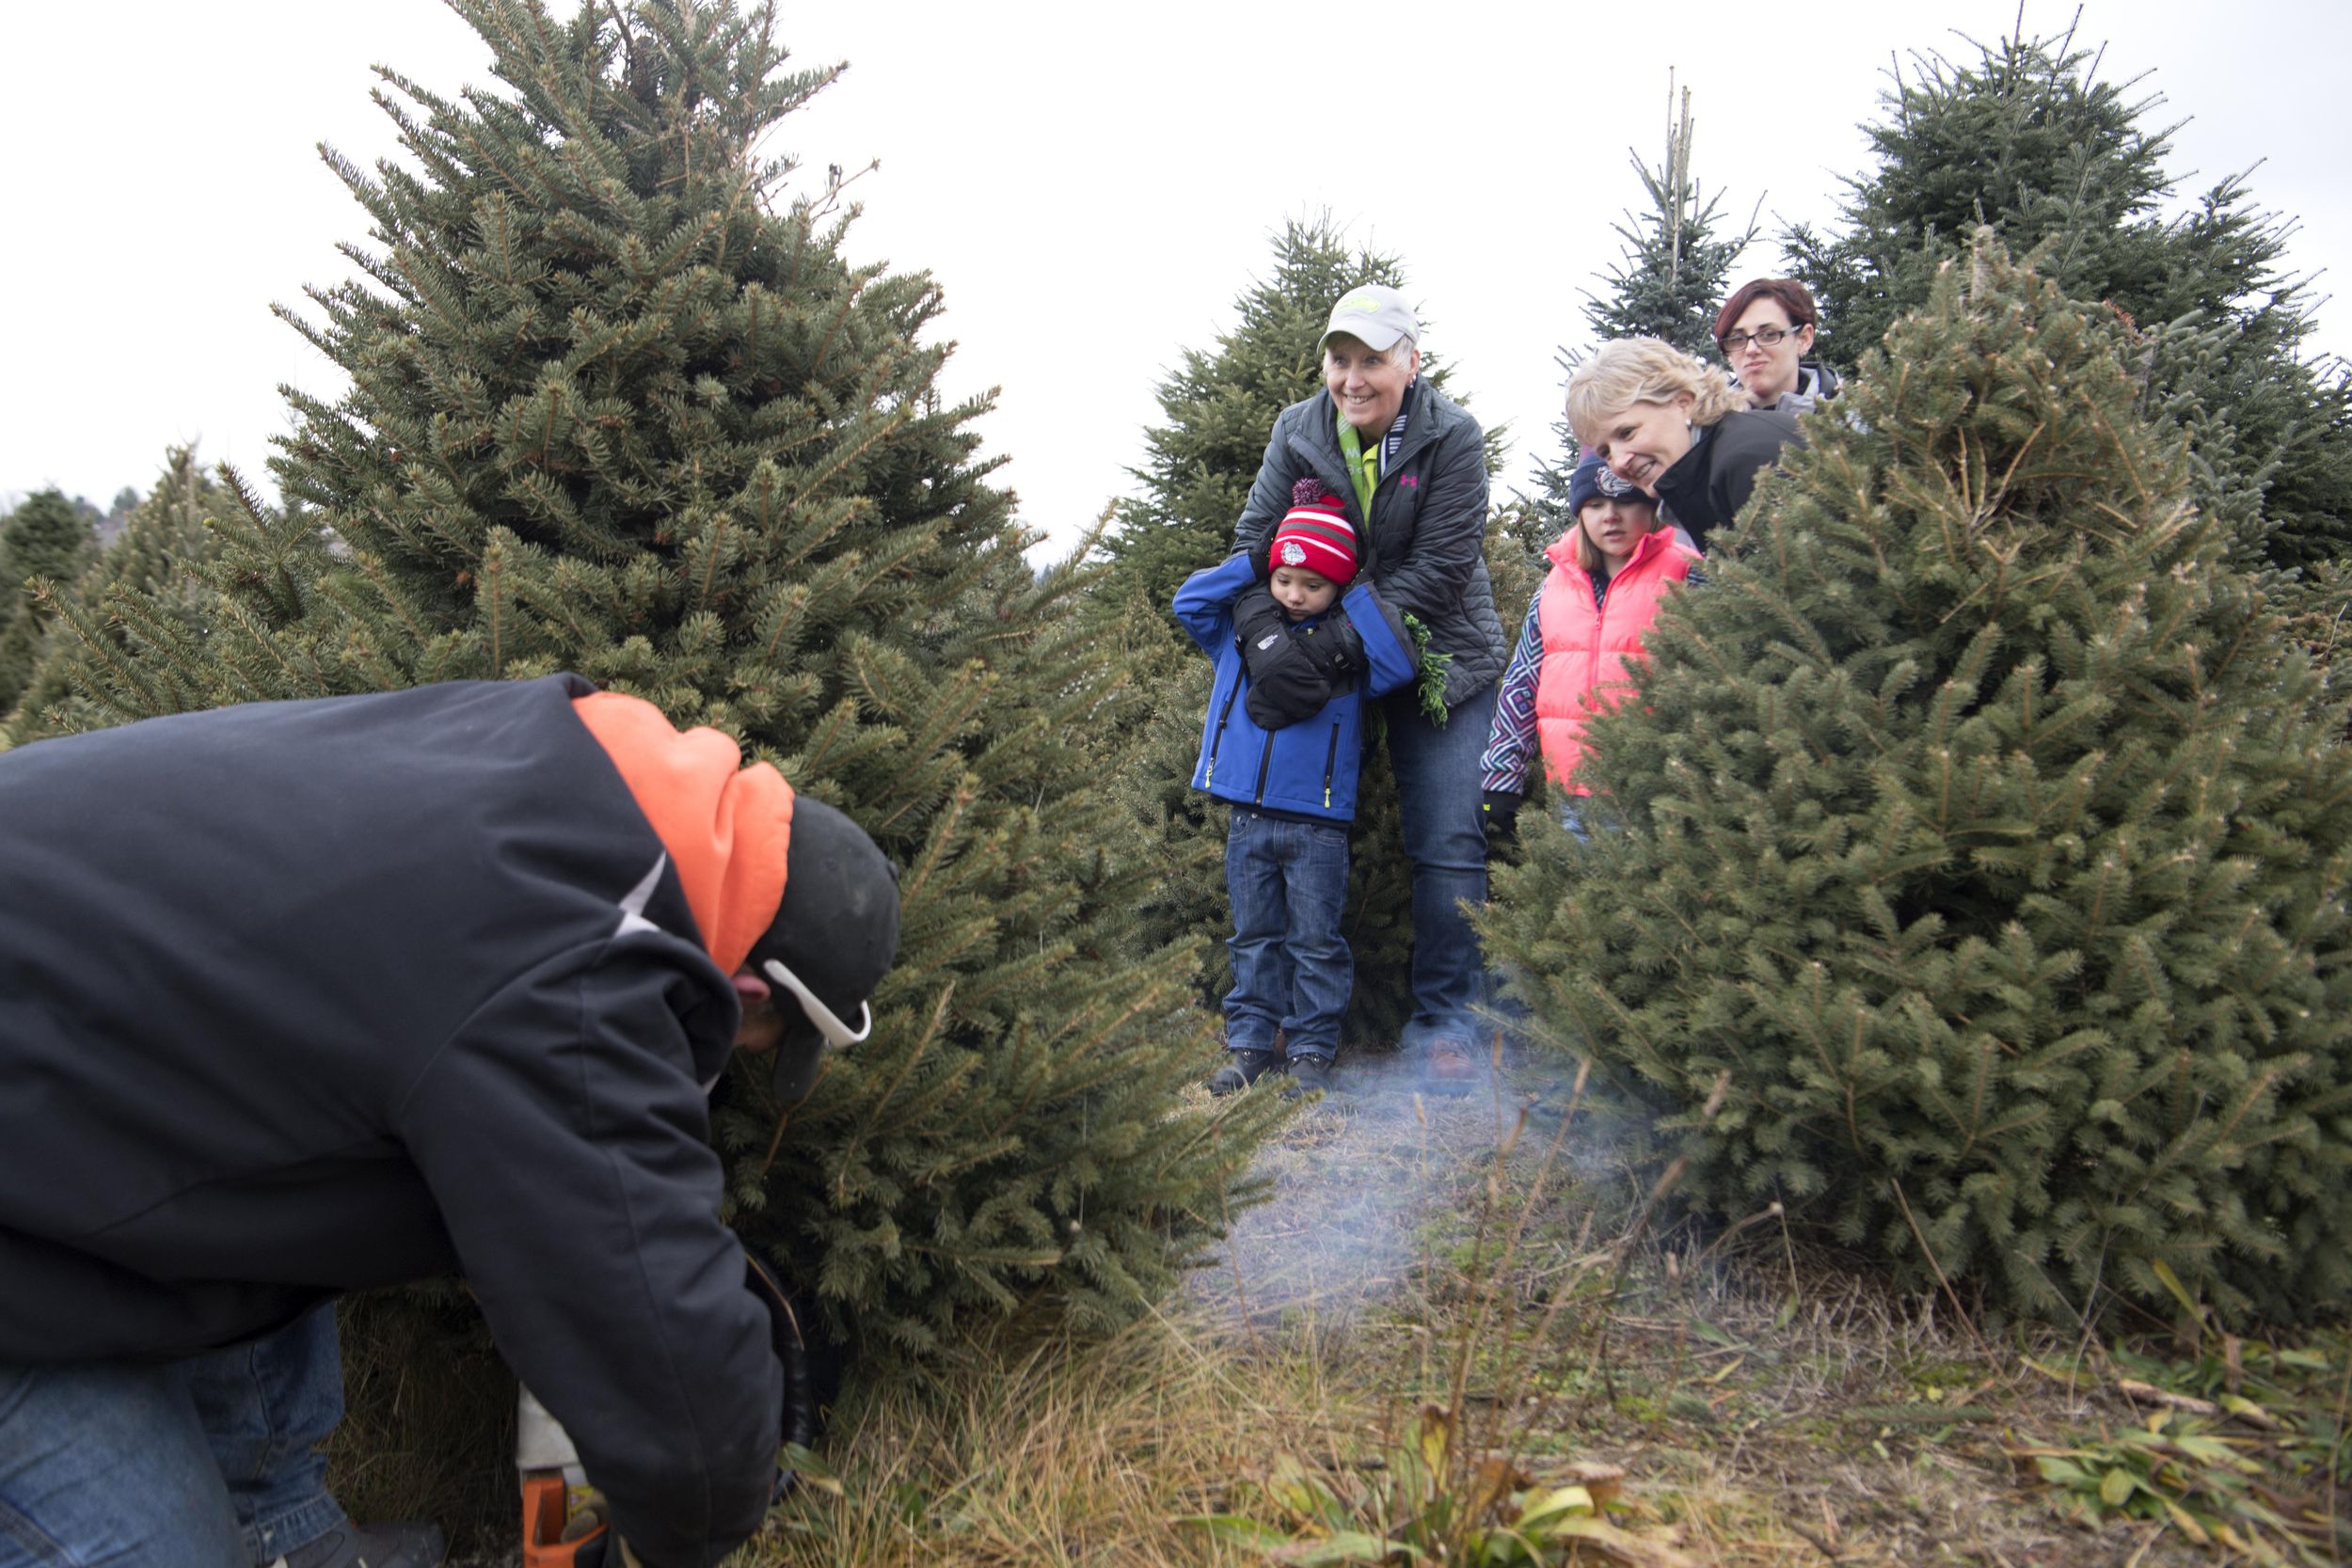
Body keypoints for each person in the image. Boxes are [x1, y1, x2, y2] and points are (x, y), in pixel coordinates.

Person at [0, 674, 901, 1568]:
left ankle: (279, 1532)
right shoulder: (563, 970)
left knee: (285, 1110)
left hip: (74, 1020)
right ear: (749, 991)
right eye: (760, 1039)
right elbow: (673, 1387)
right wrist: (706, 1497)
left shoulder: (548, 753)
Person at [1231, 284, 1507, 1093]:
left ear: (1410, 363)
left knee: (1449, 842)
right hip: (1316, 658)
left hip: (1440, 666)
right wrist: (1266, 638)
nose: (1353, 379)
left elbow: (1440, 571)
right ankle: (1276, 1016)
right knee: (1285, 828)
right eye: (1340, 359)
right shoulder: (1298, 428)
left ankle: (1445, 1023)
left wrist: (1336, 647)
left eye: (1374, 361)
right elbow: (1253, 547)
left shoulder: (1451, 437)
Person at [1177, 485, 1419, 1099]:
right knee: (1253, 936)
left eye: (1313, 584)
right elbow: (1189, 600)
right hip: (1248, 816)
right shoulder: (1238, 638)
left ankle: (1312, 1050)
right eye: (1285, 578)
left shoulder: (1349, 654)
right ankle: (1251, 1045)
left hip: (1318, 822)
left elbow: (1400, 664)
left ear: (1335, 587)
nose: (1294, 594)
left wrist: (1358, 589)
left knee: (1315, 941)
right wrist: (1255, 561)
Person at [1479, 452, 1702, 843]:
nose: (1609, 516)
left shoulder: (1688, 574)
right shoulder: (1555, 587)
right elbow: (1523, 681)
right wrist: (1501, 776)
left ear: (1652, 504)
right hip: (1574, 794)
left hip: (1664, 794)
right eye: (1595, 505)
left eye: (1625, 501)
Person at [1565, 336, 1806, 555]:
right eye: (1605, 452)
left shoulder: (1749, 464)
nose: (1618, 462)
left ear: (1683, 403)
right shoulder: (1712, 468)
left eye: (1627, 433)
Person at [1715, 277, 1840, 413]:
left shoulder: (1854, 424)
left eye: (1768, 334)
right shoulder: (1702, 428)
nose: (1751, 349)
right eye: (1737, 339)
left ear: (1804, 339)